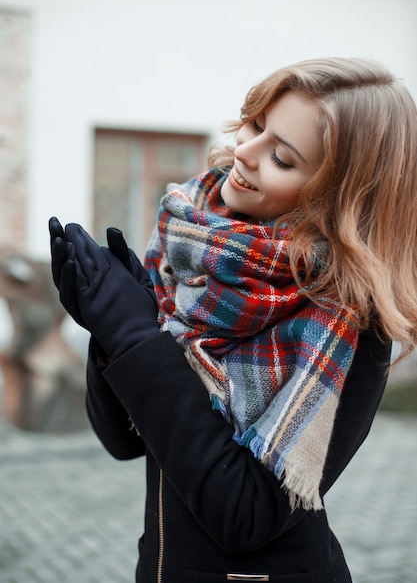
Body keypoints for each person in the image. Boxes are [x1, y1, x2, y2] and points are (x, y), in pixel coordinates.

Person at [49, 57, 417, 583]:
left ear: (338, 197)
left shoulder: (347, 320)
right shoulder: (192, 253)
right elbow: (124, 442)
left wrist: (134, 336)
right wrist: (110, 332)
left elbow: (243, 514)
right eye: (256, 125)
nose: (244, 152)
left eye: (282, 159)